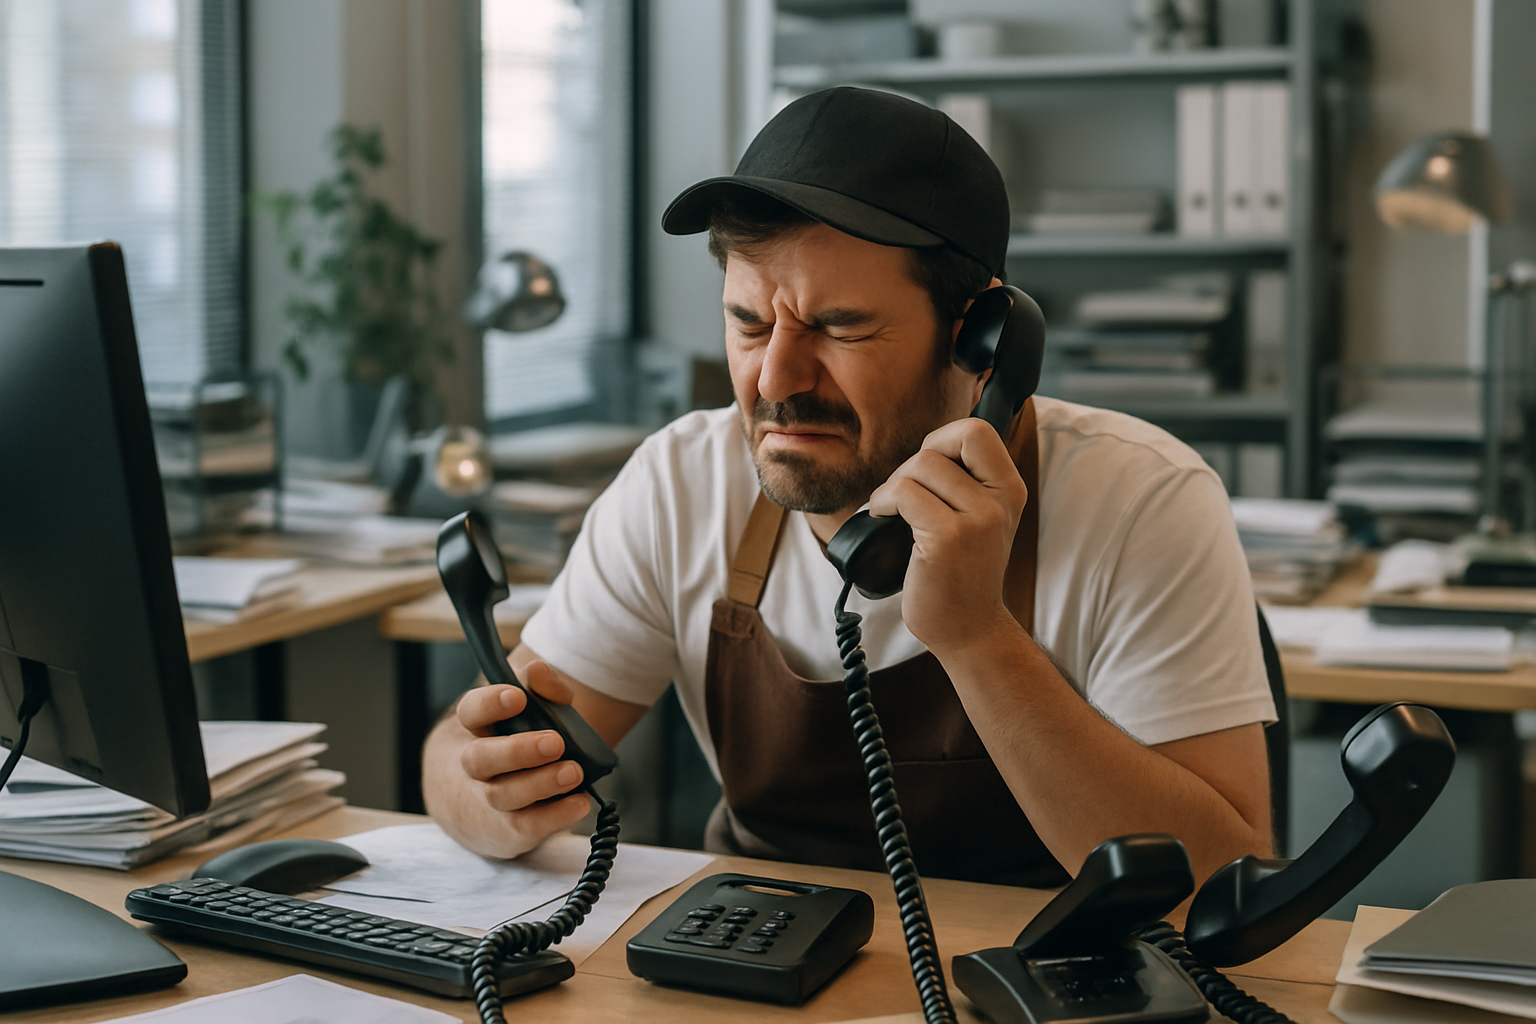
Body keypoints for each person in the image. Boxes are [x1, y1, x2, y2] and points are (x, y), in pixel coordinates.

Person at [422, 86, 1276, 888]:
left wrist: (978, 637)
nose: (775, 379)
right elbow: (461, 761)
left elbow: (1216, 876)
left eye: (838, 327)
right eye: (748, 324)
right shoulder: (679, 481)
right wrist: (489, 794)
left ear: (980, 340)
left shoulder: (1141, 499)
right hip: (757, 948)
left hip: (1052, 968)